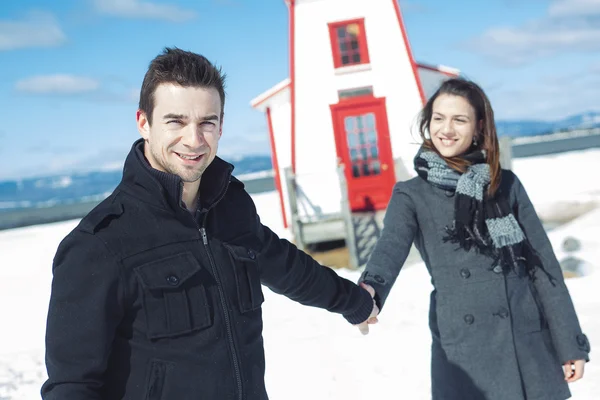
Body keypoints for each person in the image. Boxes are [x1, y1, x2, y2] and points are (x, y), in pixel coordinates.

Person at [41, 47, 377, 400]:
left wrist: (351, 301)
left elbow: (282, 264)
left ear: (221, 125)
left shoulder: (229, 206)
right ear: (144, 122)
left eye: (207, 122)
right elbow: (72, 385)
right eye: (176, 121)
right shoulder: (99, 244)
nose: (194, 139)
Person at [356, 78, 591, 400]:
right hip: (465, 349)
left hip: (526, 343)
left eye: (459, 119)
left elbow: (543, 267)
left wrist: (569, 342)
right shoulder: (412, 194)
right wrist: (369, 291)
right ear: (428, 122)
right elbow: (389, 250)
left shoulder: (505, 184)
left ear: (479, 127)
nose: (446, 129)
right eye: (439, 118)